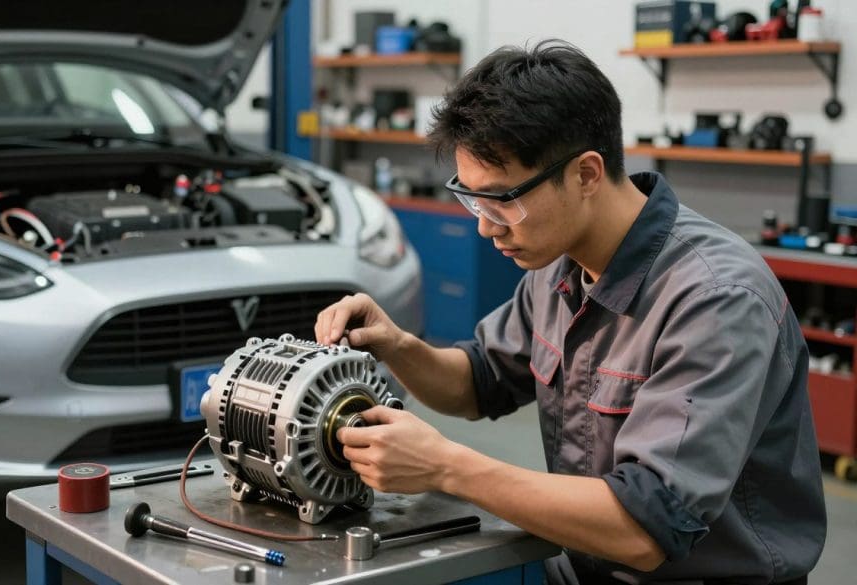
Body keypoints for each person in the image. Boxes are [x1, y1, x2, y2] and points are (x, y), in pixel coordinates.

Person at [314, 40, 825, 584]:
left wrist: (446, 466)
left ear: (585, 174)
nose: (486, 226)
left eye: (503, 199)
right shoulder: (558, 263)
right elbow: (480, 381)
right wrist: (398, 345)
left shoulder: (716, 298)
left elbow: (645, 529)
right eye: (472, 199)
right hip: (580, 569)